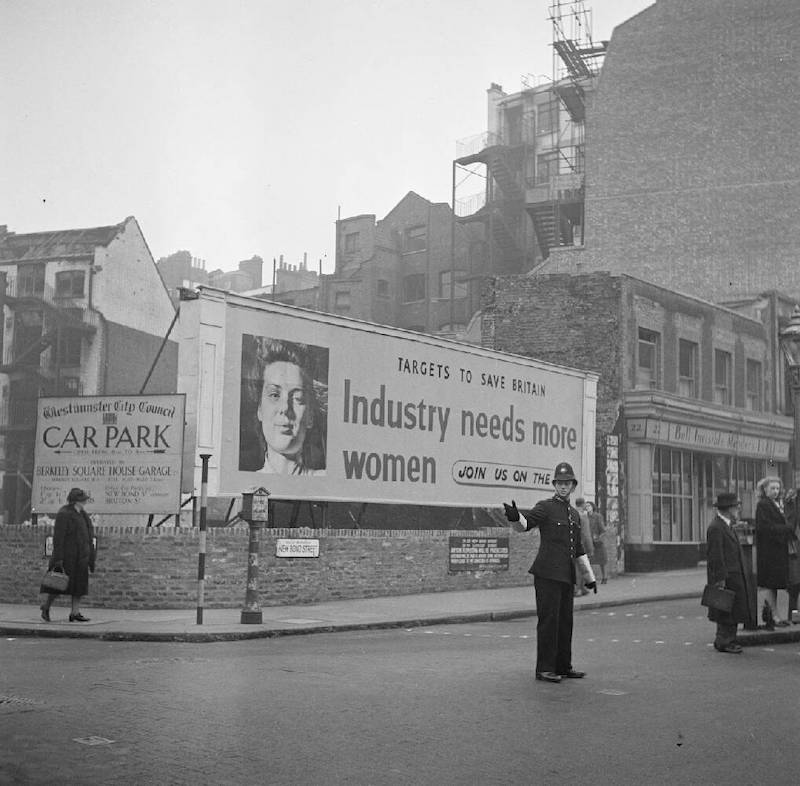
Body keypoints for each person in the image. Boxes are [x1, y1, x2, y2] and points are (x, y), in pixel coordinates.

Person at [503, 461, 597, 684]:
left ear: (573, 486)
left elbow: (579, 549)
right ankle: (544, 669)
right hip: (546, 574)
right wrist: (515, 517)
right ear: (554, 485)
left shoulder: (574, 514)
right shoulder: (545, 507)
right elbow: (527, 525)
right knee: (549, 621)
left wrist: (589, 578)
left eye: (567, 483)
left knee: (566, 621)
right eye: (559, 483)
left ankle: (563, 666)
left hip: (566, 576)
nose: (563, 487)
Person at [241, 338, 327, 475]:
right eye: (274, 395)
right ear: (260, 410)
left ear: (310, 416)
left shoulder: (324, 478)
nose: (286, 408)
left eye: (298, 398)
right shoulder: (246, 484)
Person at [39, 487, 96, 623]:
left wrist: (90, 556)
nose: (84, 503)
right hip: (67, 557)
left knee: (79, 587)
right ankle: (46, 607)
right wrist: (58, 558)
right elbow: (59, 538)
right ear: (76, 501)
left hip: (81, 557)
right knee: (58, 585)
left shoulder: (83, 515)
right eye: (82, 500)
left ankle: (75, 613)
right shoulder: (64, 514)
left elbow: (88, 535)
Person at [705, 491, 753, 653]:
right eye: (736, 506)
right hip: (727, 576)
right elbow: (715, 556)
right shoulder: (716, 528)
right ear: (728, 508)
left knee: (732, 609)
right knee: (725, 609)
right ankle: (724, 641)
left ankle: (729, 639)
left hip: (734, 575)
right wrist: (720, 579)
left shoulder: (726, 525)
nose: (738, 509)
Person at [754, 475, 793, 626]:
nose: (776, 491)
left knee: (775, 584)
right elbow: (764, 528)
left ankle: (774, 614)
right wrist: (785, 529)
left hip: (777, 550)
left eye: (777, 488)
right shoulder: (763, 505)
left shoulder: (776, 504)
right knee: (771, 584)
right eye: (772, 488)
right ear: (765, 489)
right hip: (769, 552)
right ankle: (772, 615)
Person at [781, 488, 800, 624]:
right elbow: (790, 525)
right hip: (795, 547)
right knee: (795, 585)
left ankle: (793, 617)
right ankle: (793, 618)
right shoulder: (791, 499)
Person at [573, 497, 594, 596]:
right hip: (582, 544)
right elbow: (586, 533)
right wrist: (590, 547)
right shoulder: (583, 516)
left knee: (577, 566)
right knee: (581, 567)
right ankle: (578, 589)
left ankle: (581, 588)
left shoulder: (572, 513)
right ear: (583, 504)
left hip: (573, 543)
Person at [585, 501, 609, 584]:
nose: (587, 507)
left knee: (602, 560)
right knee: (588, 561)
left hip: (597, 542)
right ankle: (590, 579)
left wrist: (599, 538)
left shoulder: (597, 516)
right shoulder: (585, 517)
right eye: (586, 506)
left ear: (592, 507)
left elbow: (603, 530)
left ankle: (604, 577)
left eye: (589, 506)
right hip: (589, 542)